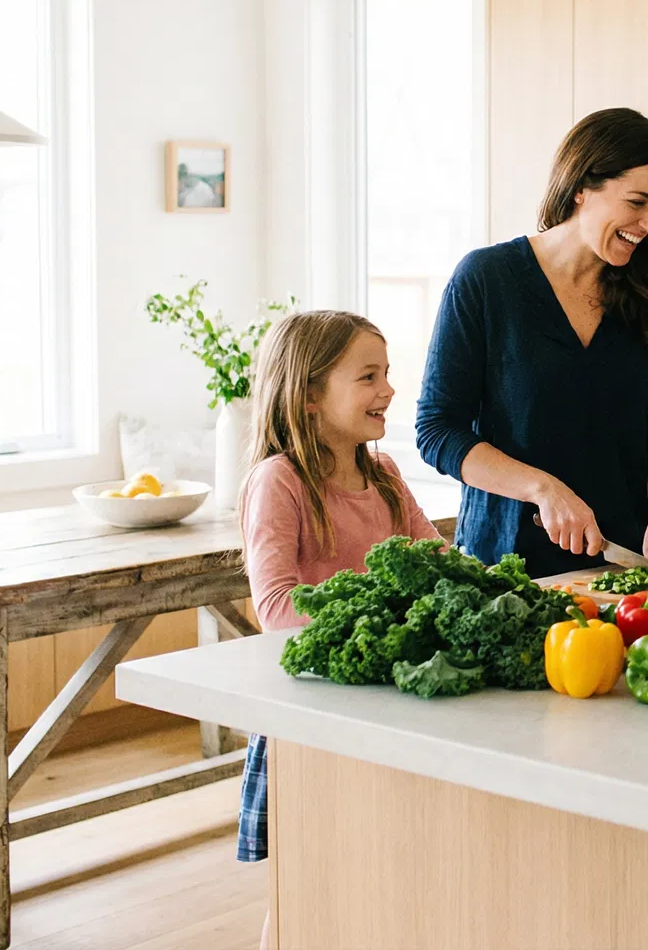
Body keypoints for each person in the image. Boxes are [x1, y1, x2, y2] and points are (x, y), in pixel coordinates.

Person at [417, 108, 648, 581]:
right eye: (637, 202)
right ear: (580, 188)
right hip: (505, 572)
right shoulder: (487, 280)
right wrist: (542, 489)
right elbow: (438, 430)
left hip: (620, 571)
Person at [236, 310, 443, 947]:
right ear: (308, 394)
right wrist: (386, 609)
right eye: (368, 377)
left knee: (376, 864)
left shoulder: (384, 477)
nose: (388, 390)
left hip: (383, 703)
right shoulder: (280, 482)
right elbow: (274, 606)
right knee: (306, 878)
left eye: (388, 374)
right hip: (312, 710)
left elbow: (437, 560)